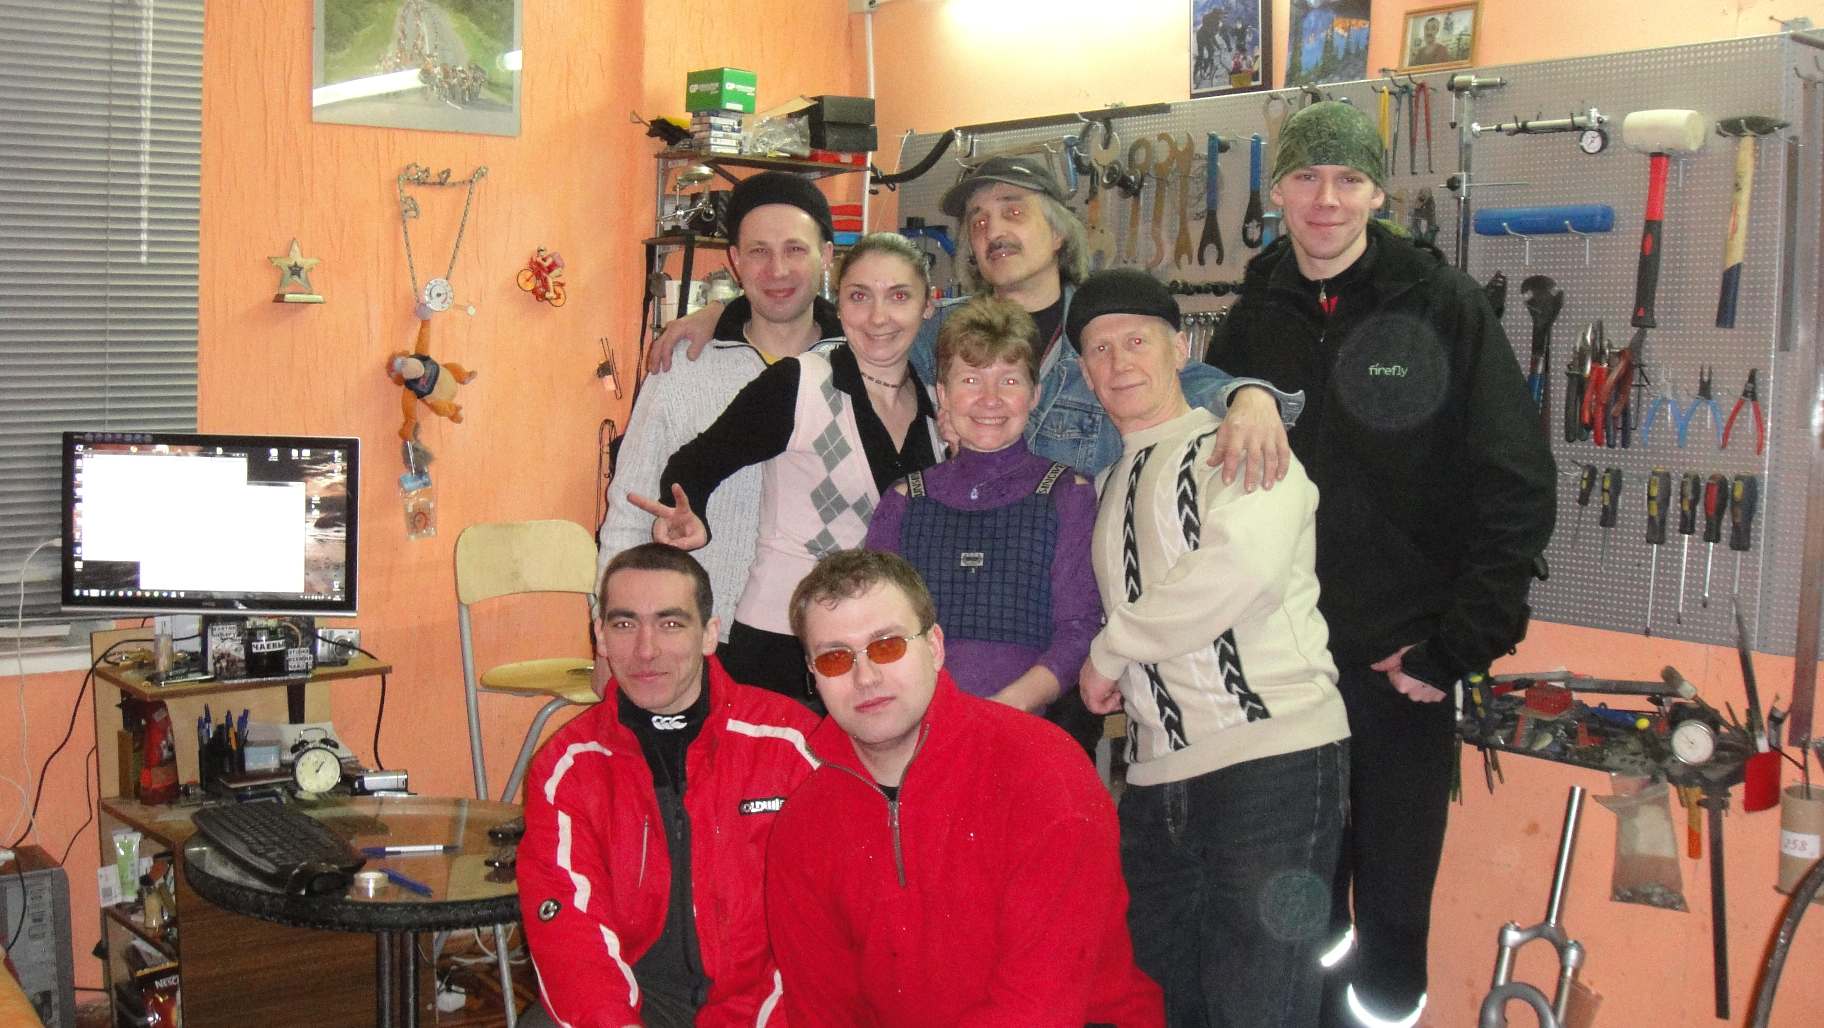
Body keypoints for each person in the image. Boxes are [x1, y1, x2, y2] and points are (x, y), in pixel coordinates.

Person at [1206, 101, 1555, 1027]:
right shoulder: (1250, 319)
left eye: (1349, 179)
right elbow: (1197, 486)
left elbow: (1517, 483)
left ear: (1377, 194)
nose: (1326, 199)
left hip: (1401, 671)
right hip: (1280, 673)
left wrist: (1457, 647)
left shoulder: (1442, 307)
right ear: (1278, 191)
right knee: (1294, 907)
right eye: (1306, 177)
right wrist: (1238, 389)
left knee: (1393, 916)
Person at [646, 155, 1297, 488]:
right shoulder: (938, 333)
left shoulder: (1100, 331)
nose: (992, 230)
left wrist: (1250, 397)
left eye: (1013, 211)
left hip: (1079, 601)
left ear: (1058, 233)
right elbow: (846, 328)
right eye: (979, 221)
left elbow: (1185, 380)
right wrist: (724, 310)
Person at [1072, 267, 1351, 1028]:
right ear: (1085, 374)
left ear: (1180, 349)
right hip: (1156, 781)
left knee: (1259, 1006)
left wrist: (1108, 651)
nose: (1119, 363)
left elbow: (1242, 571)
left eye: (1137, 342)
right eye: (1099, 350)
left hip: (1271, 765)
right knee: (1162, 1005)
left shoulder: (1240, 443)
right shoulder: (1108, 480)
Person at [766, 548, 1163, 1026]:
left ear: (935, 647)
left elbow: (1040, 1010)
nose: (865, 677)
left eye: (887, 645)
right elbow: (821, 1014)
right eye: (834, 658)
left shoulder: (1041, 771)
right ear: (812, 674)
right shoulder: (803, 826)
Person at [516, 544, 820, 1027]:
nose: (646, 649)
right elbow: (571, 935)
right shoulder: (568, 766)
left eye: (671, 623)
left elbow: (823, 933)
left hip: (767, 1006)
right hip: (638, 1001)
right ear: (600, 636)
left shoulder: (793, 746)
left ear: (710, 634)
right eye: (624, 623)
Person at [631, 233, 944, 701]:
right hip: (784, 646)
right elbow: (694, 464)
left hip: (882, 649)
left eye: (899, 296)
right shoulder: (800, 384)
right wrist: (691, 514)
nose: (878, 317)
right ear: (839, 303)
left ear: (928, 306)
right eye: (859, 296)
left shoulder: (937, 409)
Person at [597, 171, 842, 656]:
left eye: (795, 249)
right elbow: (628, 514)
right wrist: (610, 639)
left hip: (833, 644)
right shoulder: (683, 367)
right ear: (735, 261)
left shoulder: (861, 369)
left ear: (827, 256)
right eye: (758, 251)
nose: (777, 269)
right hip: (707, 642)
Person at [863, 294, 1099, 715]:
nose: (990, 399)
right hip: (920, 721)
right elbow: (875, 627)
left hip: (1027, 722)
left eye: (1009, 381)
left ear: (1034, 394)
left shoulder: (1067, 494)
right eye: (971, 380)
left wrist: (1001, 712)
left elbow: (1078, 630)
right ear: (943, 394)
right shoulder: (904, 500)